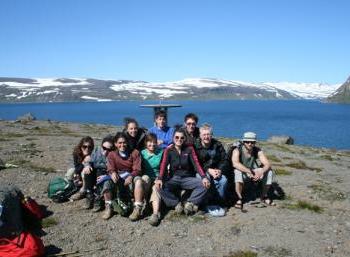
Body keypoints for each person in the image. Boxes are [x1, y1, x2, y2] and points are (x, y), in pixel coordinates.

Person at [154, 128, 210, 215]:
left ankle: (190, 203)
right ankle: (176, 204)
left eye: (181, 138)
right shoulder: (168, 150)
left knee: (205, 185)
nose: (179, 139)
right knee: (158, 187)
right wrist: (160, 178)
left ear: (184, 139)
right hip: (174, 178)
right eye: (176, 137)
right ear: (173, 138)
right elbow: (163, 165)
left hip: (188, 178)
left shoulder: (189, 149)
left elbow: (196, 163)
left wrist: (204, 177)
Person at [107, 132, 145, 221]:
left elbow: (137, 169)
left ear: (127, 142)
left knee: (139, 181)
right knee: (106, 182)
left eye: (124, 142)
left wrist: (131, 176)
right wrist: (112, 172)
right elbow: (110, 167)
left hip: (132, 175)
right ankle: (108, 206)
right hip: (119, 176)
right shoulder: (112, 154)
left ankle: (137, 207)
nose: (122, 145)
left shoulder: (135, 153)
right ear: (115, 144)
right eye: (119, 143)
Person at [231, 132, 275, 208]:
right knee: (237, 171)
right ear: (243, 142)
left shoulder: (257, 150)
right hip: (242, 172)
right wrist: (249, 171)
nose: (250, 144)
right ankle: (239, 198)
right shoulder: (237, 150)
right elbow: (235, 164)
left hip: (252, 171)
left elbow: (267, 164)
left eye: (252, 142)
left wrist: (261, 172)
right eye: (247, 142)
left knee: (269, 171)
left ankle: (264, 196)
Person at [81, 135, 115, 219]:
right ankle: (89, 195)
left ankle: (98, 198)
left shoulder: (113, 155)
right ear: (101, 146)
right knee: (87, 171)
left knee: (101, 175)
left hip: (105, 173)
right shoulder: (96, 151)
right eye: (104, 148)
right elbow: (89, 161)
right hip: (94, 171)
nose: (106, 151)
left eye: (109, 149)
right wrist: (87, 165)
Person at [194, 124, 228, 205]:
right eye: (204, 135)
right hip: (202, 171)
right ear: (200, 135)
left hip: (216, 170)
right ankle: (204, 202)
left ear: (211, 135)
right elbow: (195, 163)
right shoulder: (195, 146)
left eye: (208, 134)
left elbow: (225, 160)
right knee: (205, 180)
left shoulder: (218, 145)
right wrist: (208, 170)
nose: (206, 137)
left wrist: (220, 170)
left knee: (223, 180)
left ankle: (219, 202)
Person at [140, 133, 163, 226]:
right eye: (150, 142)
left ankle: (155, 214)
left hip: (157, 178)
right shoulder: (142, 153)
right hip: (146, 177)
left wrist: (160, 178)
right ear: (146, 142)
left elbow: (164, 167)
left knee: (156, 188)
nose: (152, 144)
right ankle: (144, 203)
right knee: (144, 179)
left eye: (154, 142)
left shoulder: (161, 152)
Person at [68, 136, 94, 201]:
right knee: (71, 172)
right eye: (84, 146)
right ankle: (73, 186)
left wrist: (88, 162)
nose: (87, 149)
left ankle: (83, 190)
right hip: (79, 173)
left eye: (89, 147)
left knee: (85, 171)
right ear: (81, 146)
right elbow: (77, 168)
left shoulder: (93, 154)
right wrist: (84, 161)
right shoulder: (76, 153)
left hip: (90, 174)